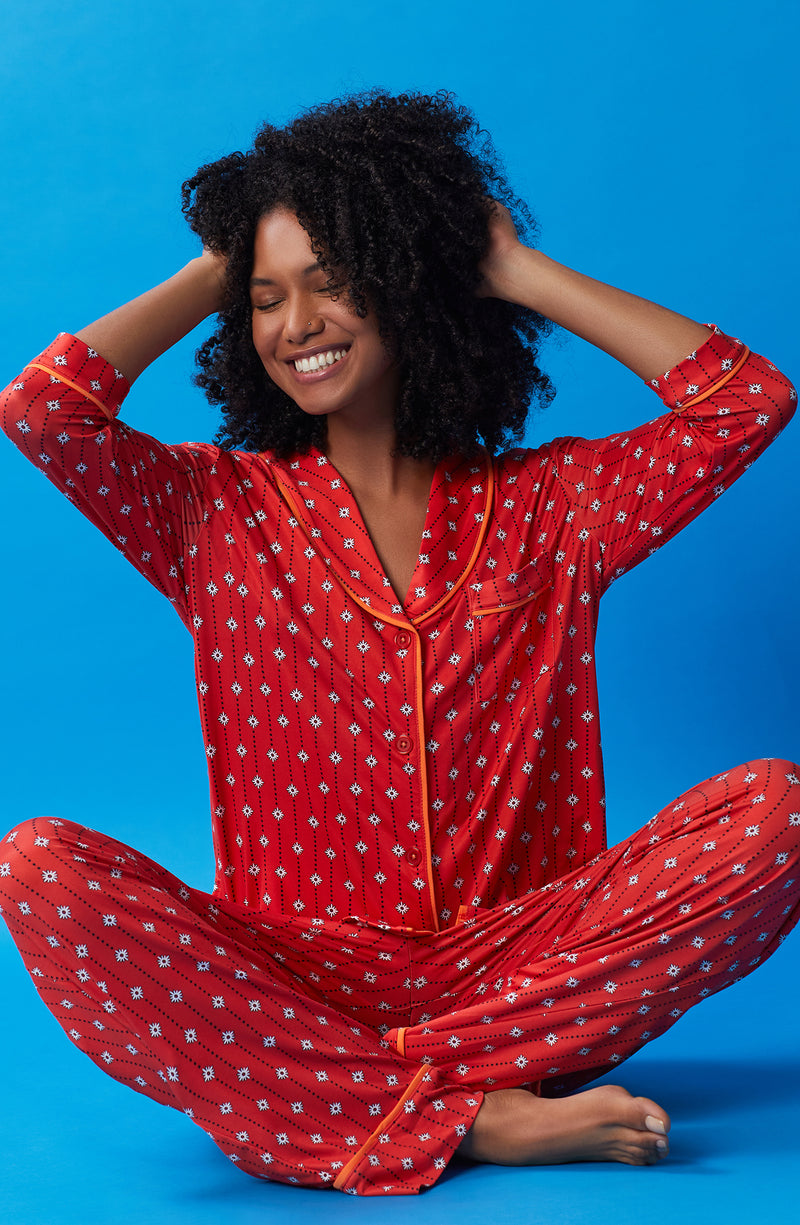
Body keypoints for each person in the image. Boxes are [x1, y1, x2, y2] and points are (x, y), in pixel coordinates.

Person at [0, 90, 798, 1197]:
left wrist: (512, 269)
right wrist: (215, 264)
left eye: (330, 280)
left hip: (531, 974)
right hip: (305, 975)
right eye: (265, 300)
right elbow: (45, 411)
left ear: (409, 289)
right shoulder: (208, 511)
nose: (294, 325)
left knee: (778, 809)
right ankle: (468, 1113)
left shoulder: (555, 504)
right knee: (37, 865)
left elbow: (744, 402)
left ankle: (332, 1096)